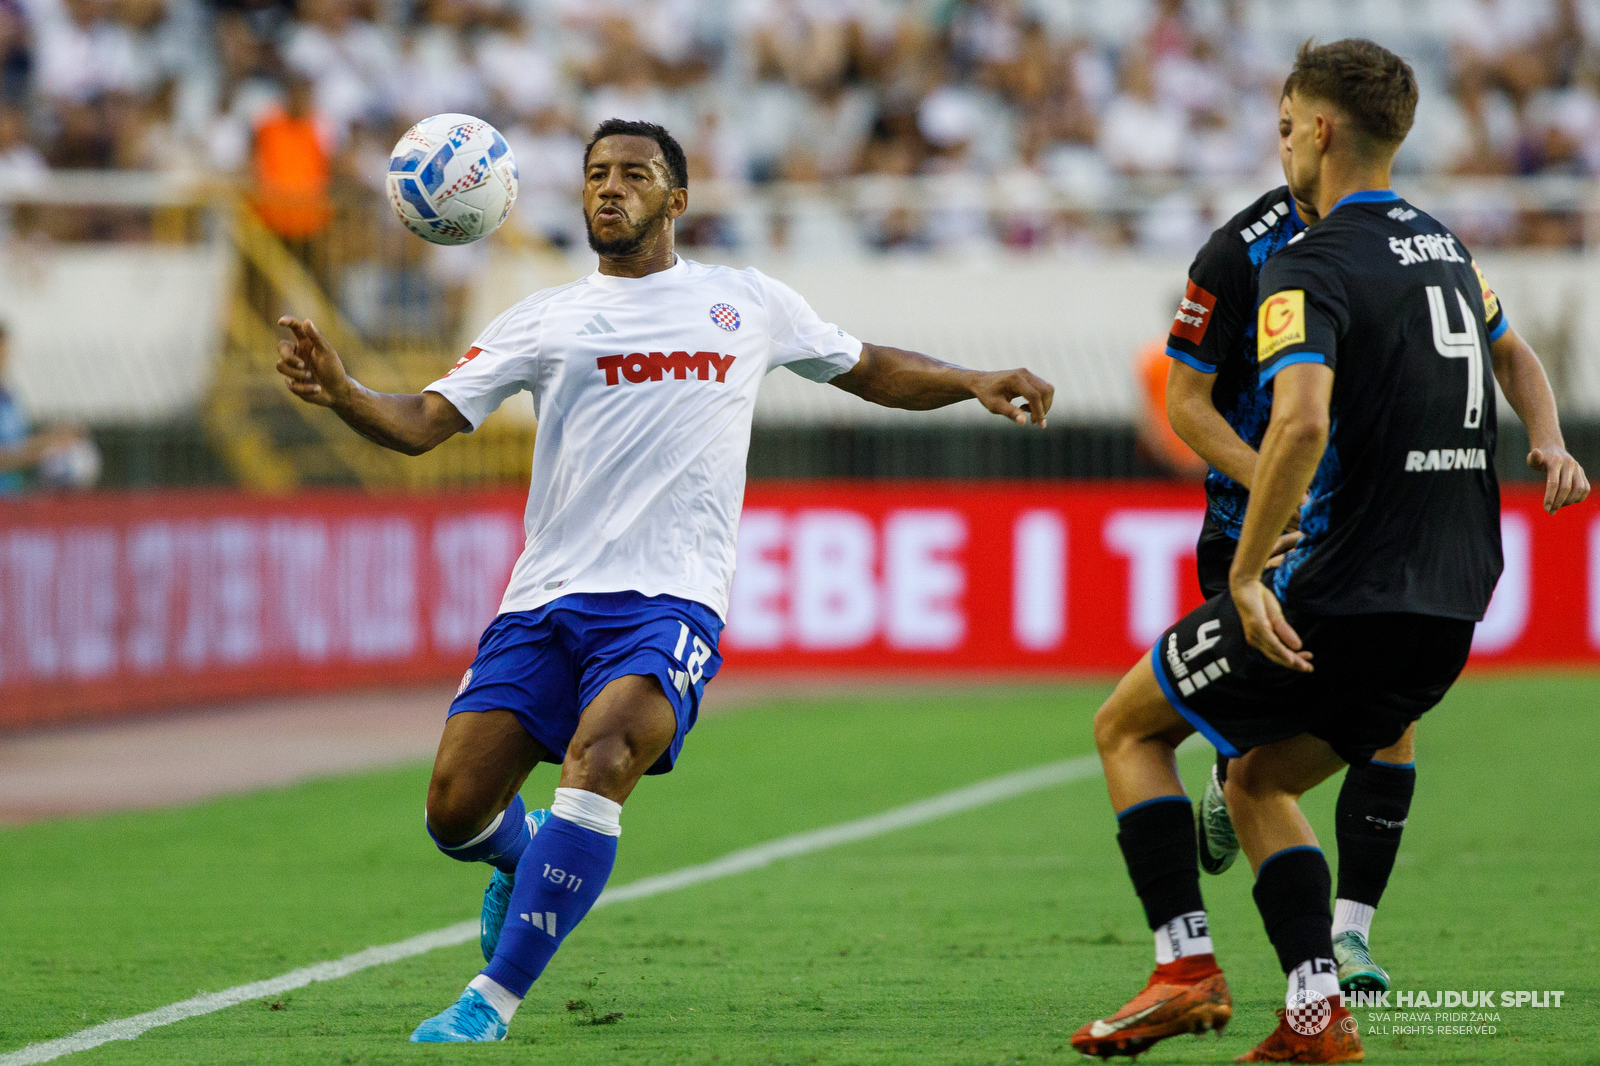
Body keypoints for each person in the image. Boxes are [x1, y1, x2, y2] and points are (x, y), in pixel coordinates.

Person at [274, 118, 1054, 1045]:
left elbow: (870, 369)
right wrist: (343, 391)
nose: (611, 188)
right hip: (545, 599)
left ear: (676, 200)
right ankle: (516, 859)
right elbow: (423, 424)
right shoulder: (543, 317)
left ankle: (491, 1000)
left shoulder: (745, 302)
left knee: (602, 760)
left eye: (634, 174)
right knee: (452, 811)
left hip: (670, 597)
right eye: (597, 174)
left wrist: (972, 381)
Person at [1071, 39, 1581, 1062]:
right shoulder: (1440, 243)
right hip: (1451, 608)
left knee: (1126, 728)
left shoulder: (1306, 260)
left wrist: (1251, 570)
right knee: (1258, 782)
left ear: (1318, 129)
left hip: (1334, 591)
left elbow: (1299, 424)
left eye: (1283, 123)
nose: (1281, 143)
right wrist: (1550, 443)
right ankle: (1317, 1010)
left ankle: (1183, 968)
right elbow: (1491, 358)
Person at [0, 323, 88, 494]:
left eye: (5, 350)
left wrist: (55, 439)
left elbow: (18, 442)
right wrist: (44, 446)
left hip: (12, 501)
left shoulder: (10, 396)